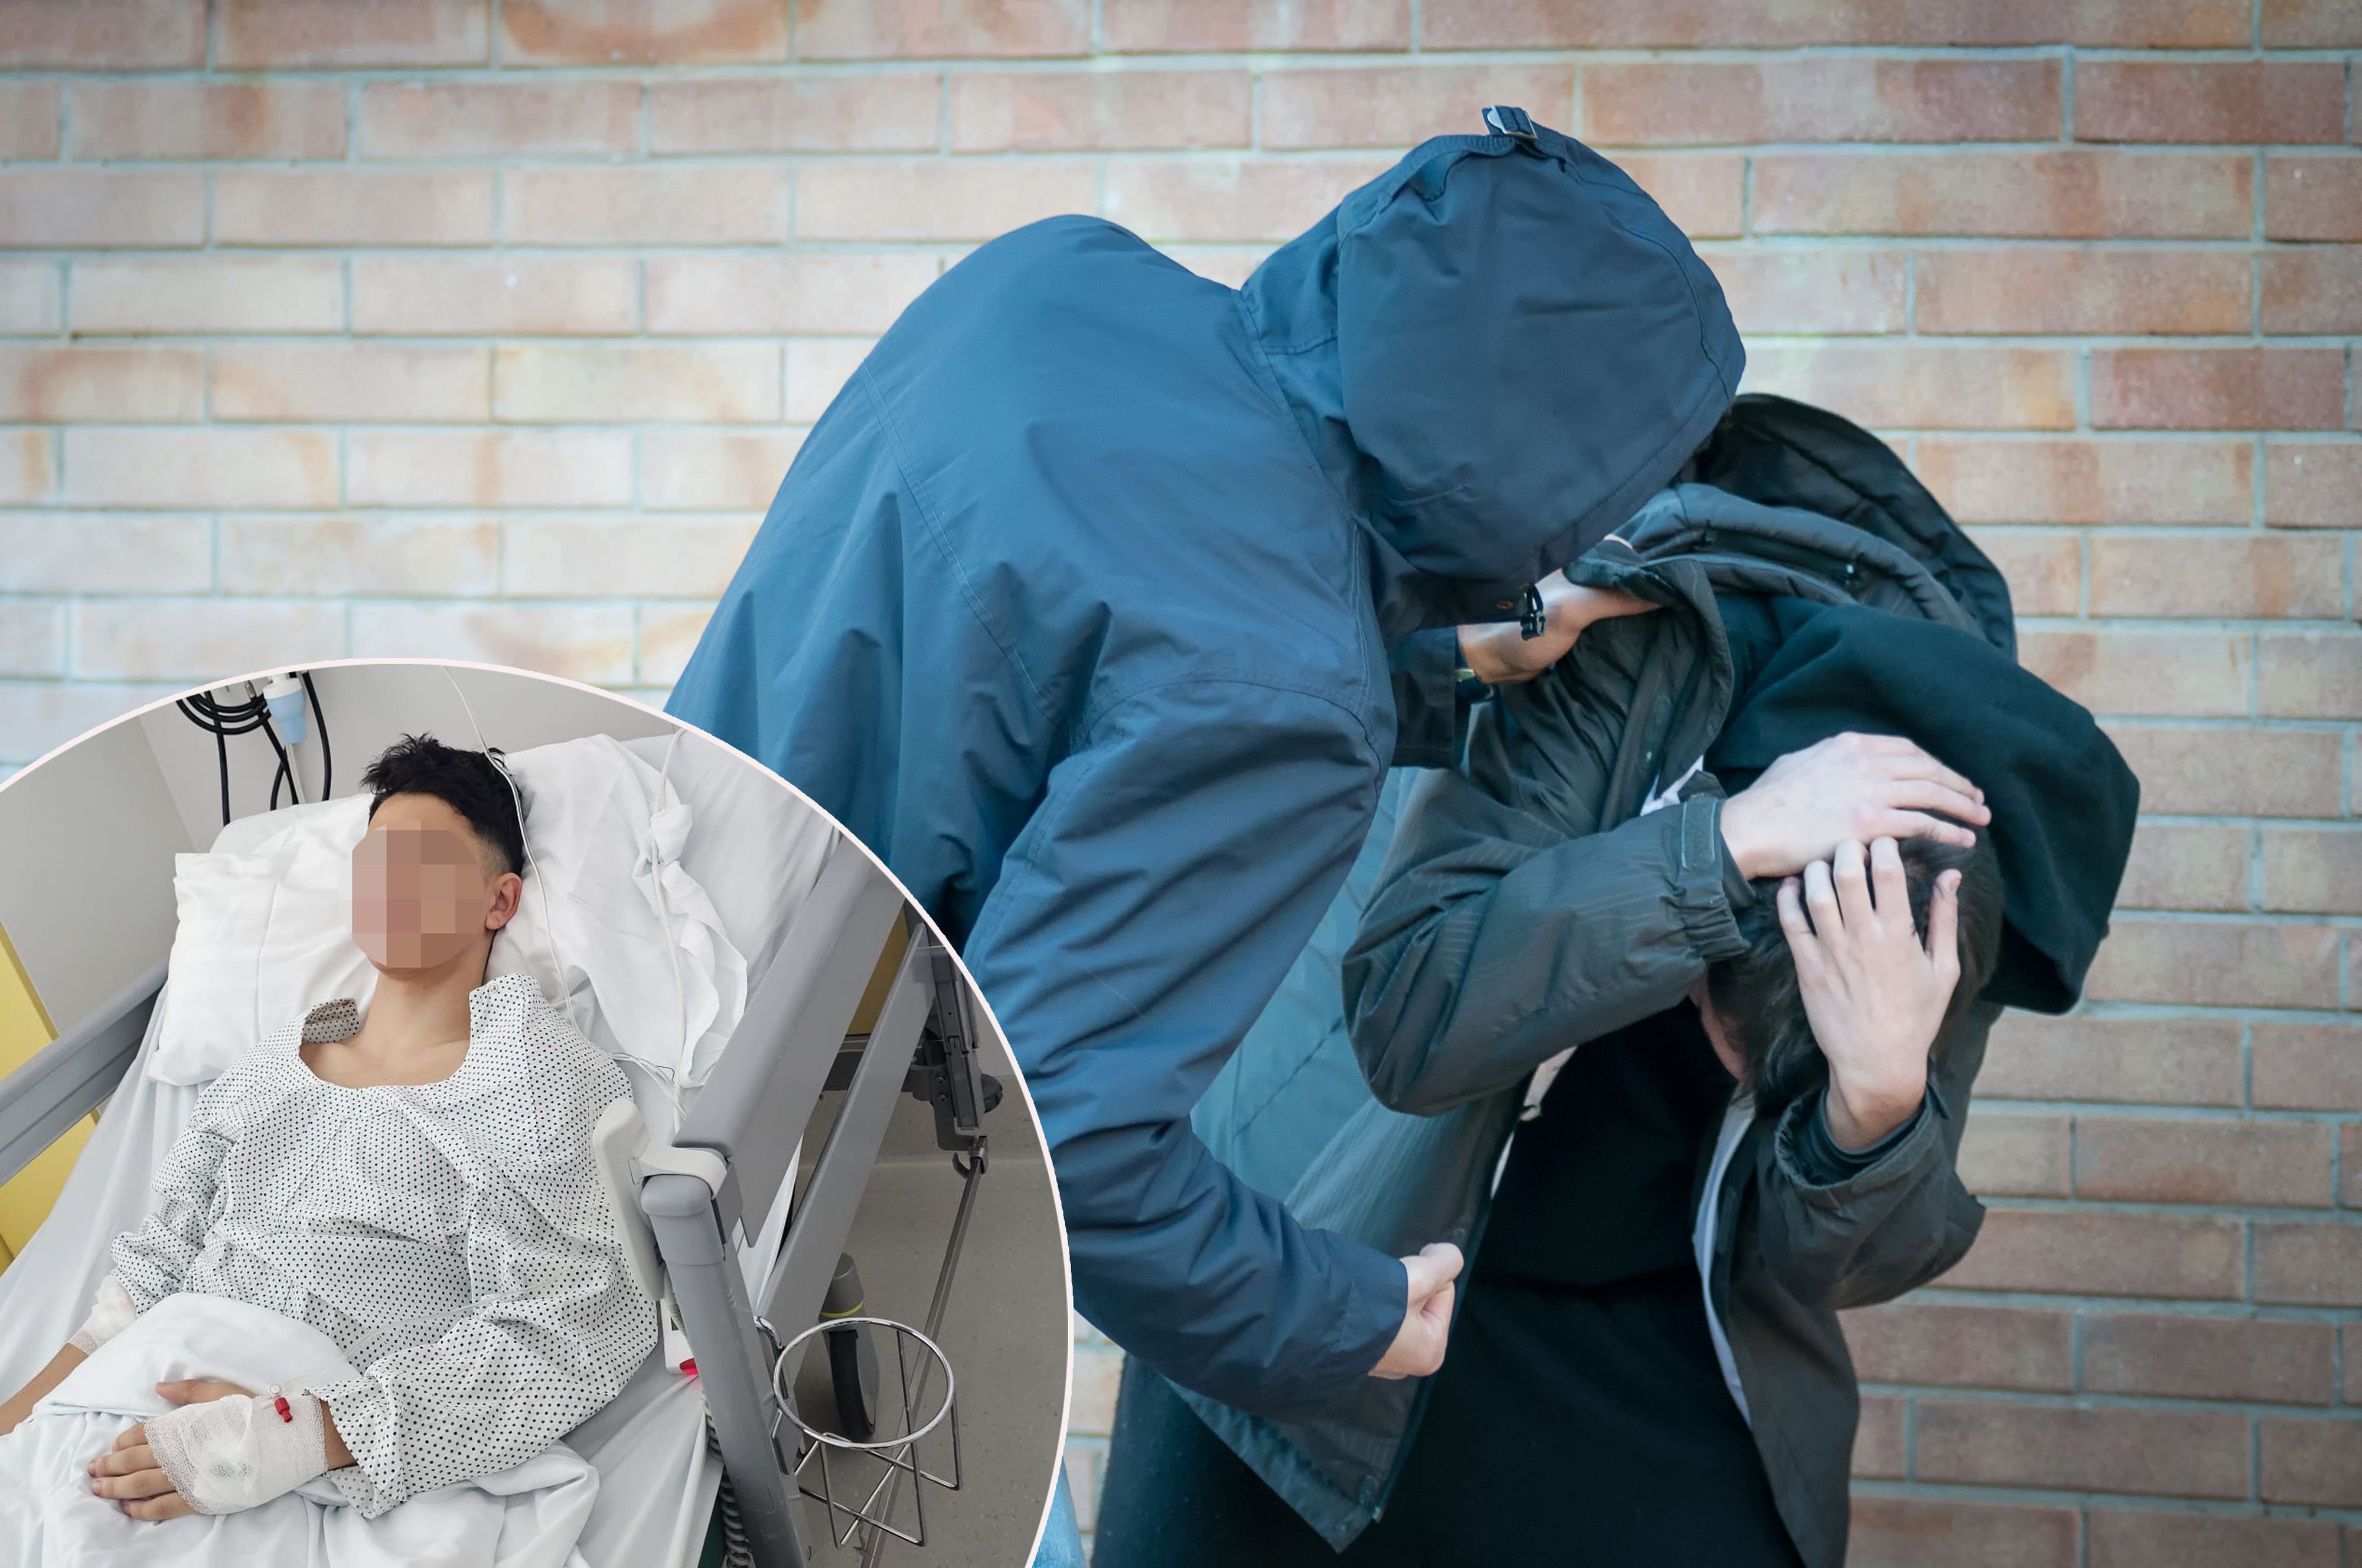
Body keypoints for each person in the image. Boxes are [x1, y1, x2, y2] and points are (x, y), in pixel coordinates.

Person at [1091, 396, 2138, 1568]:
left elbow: (1839, 1262)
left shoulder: (1944, 850)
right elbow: (1414, 1016)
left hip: (1653, 1315)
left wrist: (1876, 1107)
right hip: (1345, 1214)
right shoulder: (1609, 645)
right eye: (1719, 1022)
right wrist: (1715, 853)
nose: (1720, 1061)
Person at [0, 735, 654, 1528]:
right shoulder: (266, 1072)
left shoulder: (533, 1076)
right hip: (137, 1398)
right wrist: (18, 1429)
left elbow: (573, 1325)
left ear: (499, 902)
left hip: (320, 1455)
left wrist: (299, 1437)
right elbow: (148, 1276)